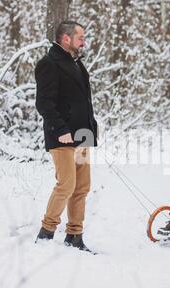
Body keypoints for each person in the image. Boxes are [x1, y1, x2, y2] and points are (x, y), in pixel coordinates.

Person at [34, 21, 98, 252]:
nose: (83, 41)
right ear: (66, 39)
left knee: (82, 187)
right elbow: (44, 103)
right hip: (62, 137)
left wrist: (91, 126)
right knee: (66, 185)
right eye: (80, 37)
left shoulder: (76, 64)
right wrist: (60, 130)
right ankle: (46, 233)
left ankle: (74, 236)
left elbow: (82, 101)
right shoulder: (49, 64)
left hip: (81, 135)